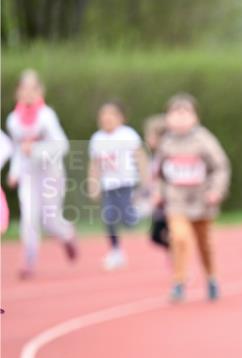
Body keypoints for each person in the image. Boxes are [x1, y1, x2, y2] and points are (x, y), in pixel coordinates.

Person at [153, 93, 230, 303]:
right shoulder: (166, 143)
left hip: (202, 201)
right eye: (174, 114)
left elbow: (220, 167)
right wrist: (158, 191)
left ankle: (211, 278)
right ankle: (178, 282)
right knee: (179, 238)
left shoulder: (204, 140)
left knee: (204, 243)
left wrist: (216, 191)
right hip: (176, 200)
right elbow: (158, 173)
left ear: (195, 117)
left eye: (185, 113)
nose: (179, 118)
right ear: (167, 118)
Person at [5, 69, 77, 279]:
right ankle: (29, 260)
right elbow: (19, 149)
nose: (28, 93)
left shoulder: (47, 116)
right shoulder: (13, 120)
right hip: (29, 174)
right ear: (17, 92)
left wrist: (36, 150)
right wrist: (14, 172)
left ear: (40, 91)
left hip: (50, 173)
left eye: (33, 88)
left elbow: (61, 146)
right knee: (29, 216)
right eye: (24, 88)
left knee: (50, 219)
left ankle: (67, 234)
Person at [87, 101, 147, 271]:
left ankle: (141, 210)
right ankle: (115, 251)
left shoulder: (128, 135)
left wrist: (145, 180)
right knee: (109, 218)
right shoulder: (97, 139)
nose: (107, 118)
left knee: (128, 221)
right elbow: (95, 164)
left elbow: (140, 157)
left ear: (121, 118)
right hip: (108, 185)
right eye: (103, 115)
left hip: (126, 183)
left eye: (111, 114)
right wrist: (93, 184)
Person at [143, 114, 170, 250]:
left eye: (149, 135)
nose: (146, 139)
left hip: (168, 205)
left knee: (161, 234)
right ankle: (174, 252)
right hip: (158, 207)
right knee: (156, 236)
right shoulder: (155, 157)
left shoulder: (166, 157)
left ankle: (177, 253)